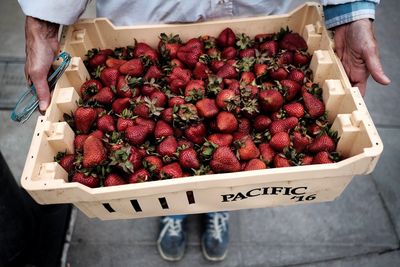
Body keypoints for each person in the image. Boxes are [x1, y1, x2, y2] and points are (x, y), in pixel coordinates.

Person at [18, 0, 391, 262]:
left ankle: (222, 201)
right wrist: (43, 23)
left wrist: (350, 12)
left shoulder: (235, 115)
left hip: (257, 19)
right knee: (179, 180)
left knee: (237, 178)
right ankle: (172, 208)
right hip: (148, 16)